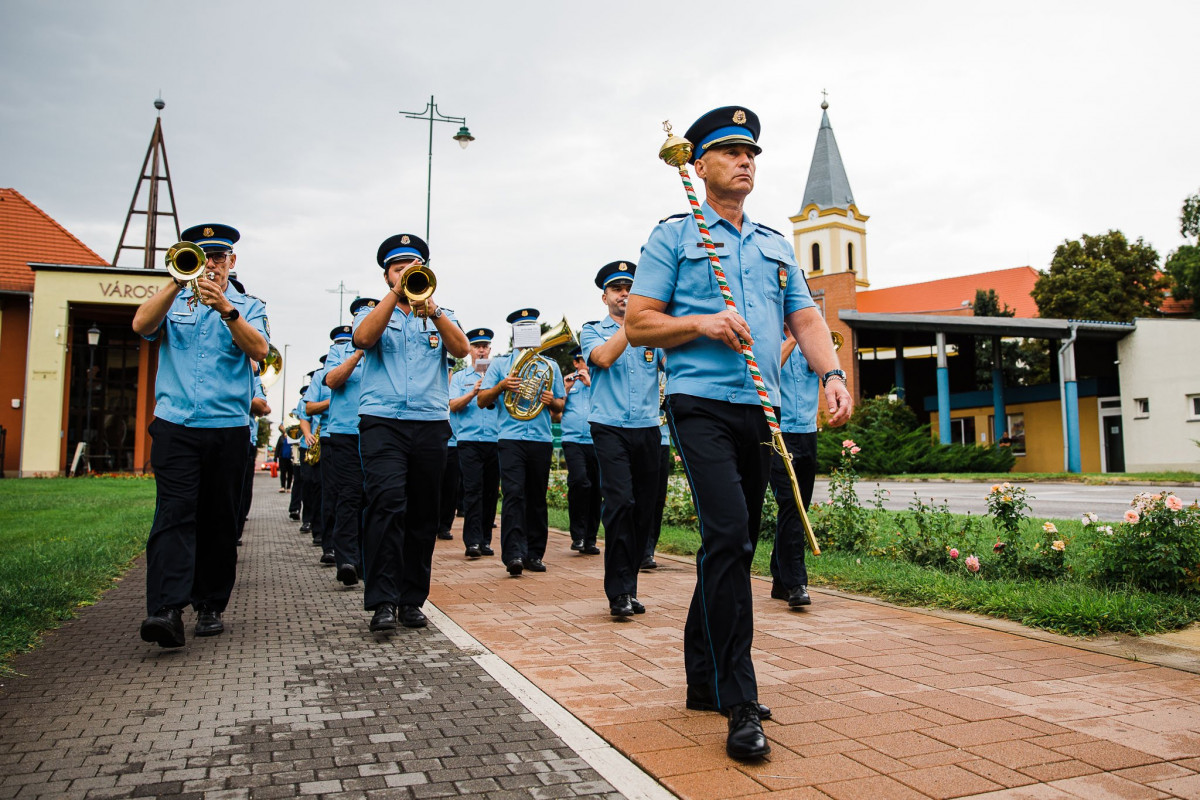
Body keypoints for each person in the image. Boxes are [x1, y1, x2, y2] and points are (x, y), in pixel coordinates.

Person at [625, 107, 852, 761]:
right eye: (727, 152)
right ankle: (740, 702)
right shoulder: (673, 236)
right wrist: (701, 324)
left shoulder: (776, 244)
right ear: (698, 167)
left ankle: (704, 675)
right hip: (699, 404)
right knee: (727, 534)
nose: (744, 160)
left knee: (733, 545)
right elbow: (640, 323)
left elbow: (806, 317)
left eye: (751, 151)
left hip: (762, 409)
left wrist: (832, 374)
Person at [131, 223, 270, 647]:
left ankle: (210, 603)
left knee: (218, 519)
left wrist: (227, 309)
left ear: (232, 262)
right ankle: (167, 610)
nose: (211, 263)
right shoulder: (173, 300)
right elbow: (141, 325)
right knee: (174, 514)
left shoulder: (249, 305)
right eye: (203, 256)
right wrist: (176, 284)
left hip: (227, 427)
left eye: (219, 257)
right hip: (176, 424)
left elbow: (260, 350)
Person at [353, 233, 468, 632]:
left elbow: (461, 349)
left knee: (422, 513)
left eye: (413, 267)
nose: (406, 274)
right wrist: (395, 296)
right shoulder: (374, 313)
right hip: (382, 421)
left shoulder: (441, 312)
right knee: (386, 503)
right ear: (387, 276)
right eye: (398, 269)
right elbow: (363, 339)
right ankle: (383, 599)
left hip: (430, 422)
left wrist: (431, 306)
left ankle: (412, 598)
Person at [581, 262, 662, 619]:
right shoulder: (592, 331)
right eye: (617, 289)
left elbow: (670, 363)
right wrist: (635, 323)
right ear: (605, 297)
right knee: (620, 504)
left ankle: (629, 587)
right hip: (609, 426)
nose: (624, 294)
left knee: (644, 508)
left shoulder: (649, 331)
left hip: (647, 427)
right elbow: (603, 357)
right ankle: (617, 592)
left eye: (630, 287)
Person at [476, 309, 565, 576]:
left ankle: (535, 554)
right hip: (510, 437)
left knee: (537, 496)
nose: (527, 332)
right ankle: (513, 554)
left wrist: (553, 401)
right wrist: (502, 386)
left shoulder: (550, 365)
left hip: (540, 438)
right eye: (522, 328)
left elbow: (560, 407)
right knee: (514, 494)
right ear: (514, 333)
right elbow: (482, 400)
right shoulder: (501, 365)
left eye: (531, 327)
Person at [323, 300, 375, 586]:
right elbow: (331, 380)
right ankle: (346, 559)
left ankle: (368, 561)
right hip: (344, 432)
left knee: (373, 497)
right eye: (359, 317)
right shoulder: (338, 350)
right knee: (350, 495)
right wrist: (357, 354)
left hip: (377, 430)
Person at [768, 327, 819, 609]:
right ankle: (795, 583)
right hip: (777, 432)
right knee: (791, 503)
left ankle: (779, 578)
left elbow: (824, 367)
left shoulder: (809, 340)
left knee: (801, 506)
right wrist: (793, 339)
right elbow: (770, 369)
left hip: (808, 430)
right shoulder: (770, 338)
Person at [449, 327, 500, 559]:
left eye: (485, 346)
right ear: (470, 350)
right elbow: (452, 405)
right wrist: (473, 393)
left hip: (494, 439)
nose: (481, 350)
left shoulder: (498, 375)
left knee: (490, 492)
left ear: (490, 349)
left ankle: (485, 540)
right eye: (477, 346)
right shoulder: (460, 377)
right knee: (472, 491)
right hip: (468, 440)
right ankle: (472, 542)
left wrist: (494, 389)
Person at [558, 347, 601, 556]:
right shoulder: (567, 381)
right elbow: (556, 414)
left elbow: (606, 404)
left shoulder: (599, 382)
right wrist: (564, 390)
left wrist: (590, 385)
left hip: (596, 440)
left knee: (595, 489)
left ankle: (590, 539)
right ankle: (577, 535)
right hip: (572, 439)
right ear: (576, 363)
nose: (587, 364)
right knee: (579, 481)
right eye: (584, 361)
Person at [642, 367, 670, 571]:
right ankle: (640, 547)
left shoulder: (667, 372)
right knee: (642, 497)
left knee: (658, 498)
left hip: (664, 438)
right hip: (643, 432)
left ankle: (649, 549)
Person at [238, 373, 271, 546]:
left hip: (243, 437)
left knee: (242, 488)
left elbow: (263, 407)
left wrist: (234, 395)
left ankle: (236, 530)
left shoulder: (254, 378)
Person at [438, 355, 462, 541]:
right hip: (433, 442)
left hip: (452, 444)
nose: (446, 374)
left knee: (450, 488)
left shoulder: (456, 391)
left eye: (448, 371)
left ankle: (445, 526)